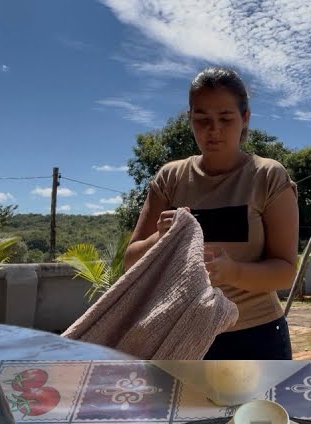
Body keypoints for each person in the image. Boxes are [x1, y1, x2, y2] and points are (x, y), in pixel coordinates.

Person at [124, 67, 299, 360]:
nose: (213, 130)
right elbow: (130, 261)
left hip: (256, 337)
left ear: (245, 118)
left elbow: (285, 271)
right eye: (202, 119)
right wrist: (160, 237)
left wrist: (233, 272)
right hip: (179, 338)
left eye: (226, 119)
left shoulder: (267, 176)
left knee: (255, 408)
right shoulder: (170, 178)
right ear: (190, 119)